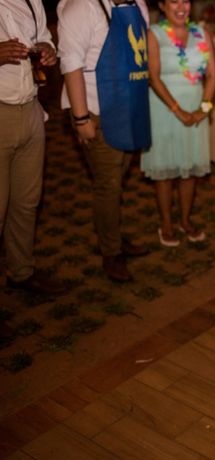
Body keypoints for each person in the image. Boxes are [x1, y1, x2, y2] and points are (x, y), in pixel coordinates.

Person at [57, 0, 151, 282]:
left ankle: (114, 237)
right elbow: (70, 64)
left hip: (129, 108)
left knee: (118, 179)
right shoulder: (81, 8)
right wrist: (81, 118)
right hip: (97, 113)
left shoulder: (136, 5)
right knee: (108, 185)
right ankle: (111, 252)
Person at [0, 0, 64, 295]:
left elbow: (44, 39)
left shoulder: (31, 0)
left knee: (27, 202)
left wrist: (49, 50)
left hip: (32, 108)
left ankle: (21, 272)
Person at [142, 0, 215, 247]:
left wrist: (203, 108)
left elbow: (213, 76)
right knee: (165, 171)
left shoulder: (202, 32)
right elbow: (153, 77)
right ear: (163, 6)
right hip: (164, 109)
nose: (181, 6)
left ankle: (185, 220)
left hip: (196, 110)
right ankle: (166, 223)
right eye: (174, 1)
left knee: (190, 169)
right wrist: (178, 111)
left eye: (185, 0)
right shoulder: (154, 34)